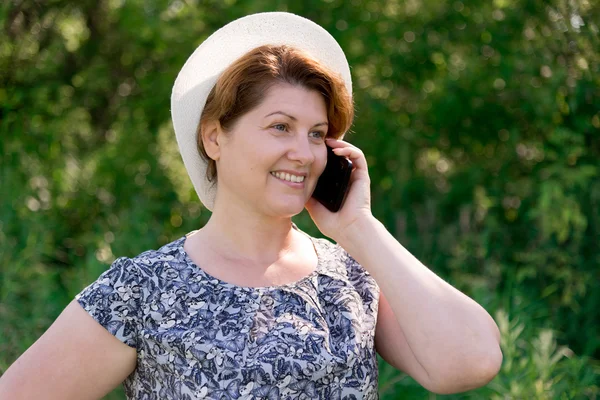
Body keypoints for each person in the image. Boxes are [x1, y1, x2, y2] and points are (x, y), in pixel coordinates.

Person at [0, 12, 502, 399]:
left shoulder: (353, 277)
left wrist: (359, 227)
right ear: (215, 137)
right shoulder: (142, 291)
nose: (303, 153)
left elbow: (473, 362)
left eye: (317, 134)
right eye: (280, 126)